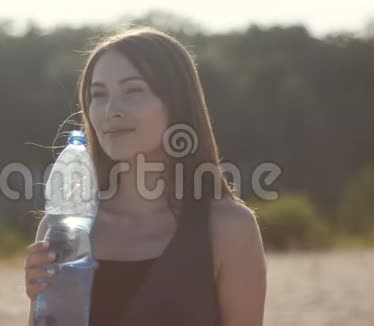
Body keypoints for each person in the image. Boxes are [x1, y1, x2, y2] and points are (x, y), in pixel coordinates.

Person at [24, 26, 266, 326]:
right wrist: (41, 301)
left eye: (133, 90)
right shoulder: (62, 229)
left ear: (177, 103)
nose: (111, 110)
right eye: (98, 95)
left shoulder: (228, 228)